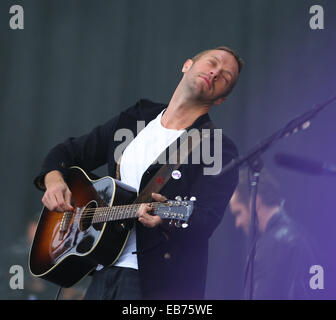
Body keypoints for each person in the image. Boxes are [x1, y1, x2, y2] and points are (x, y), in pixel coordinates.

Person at [33, 45, 244, 300]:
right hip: (102, 268)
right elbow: (67, 153)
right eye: (212, 62)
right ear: (187, 65)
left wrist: (165, 217)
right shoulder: (138, 117)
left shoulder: (218, 147)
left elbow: (207, 217)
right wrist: (54, 181)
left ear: (221, 99)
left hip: (155, 282)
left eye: (225, 77)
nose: (216, 72)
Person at [229, 168, 316, 299]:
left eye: (238, 213)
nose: (238, 223)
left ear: (255, 202)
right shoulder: (299, 234)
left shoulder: (274, 244)